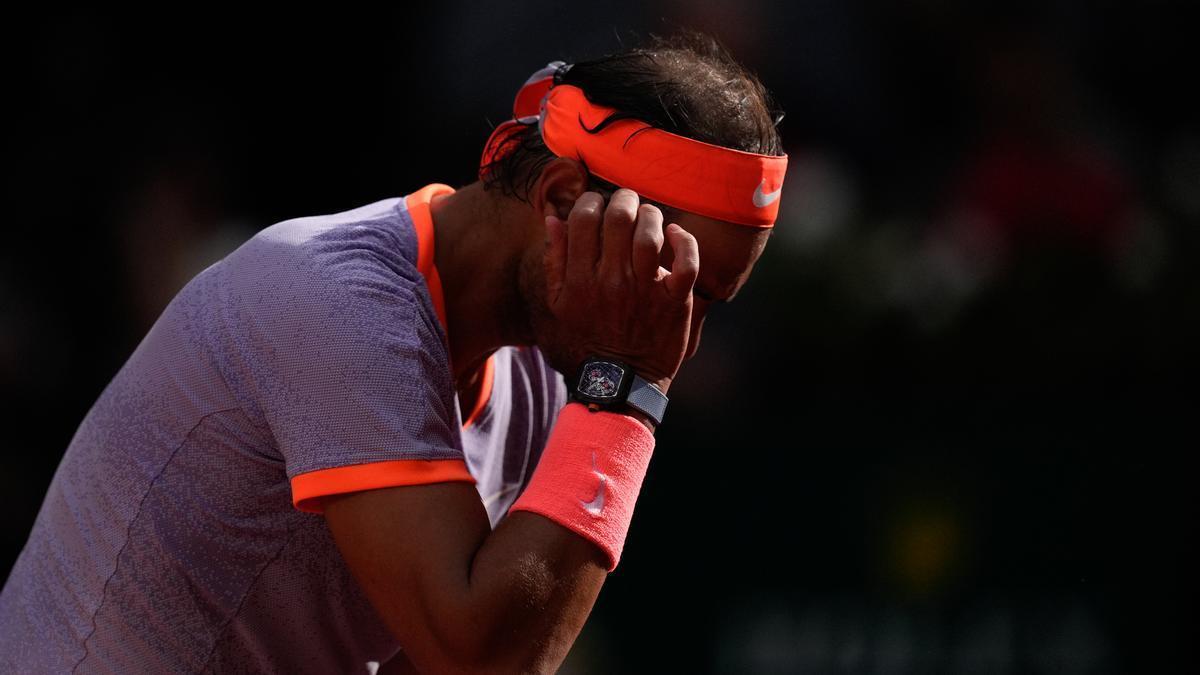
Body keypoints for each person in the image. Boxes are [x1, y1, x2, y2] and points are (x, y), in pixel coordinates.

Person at [0, 29, 787, 673]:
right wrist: (627, 390)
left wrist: (610, 388)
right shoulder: (329, 297)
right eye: (671, 280)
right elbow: (476, 658)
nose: (676, 333)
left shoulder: (554, 383)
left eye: (702, 301)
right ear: (558, 201)